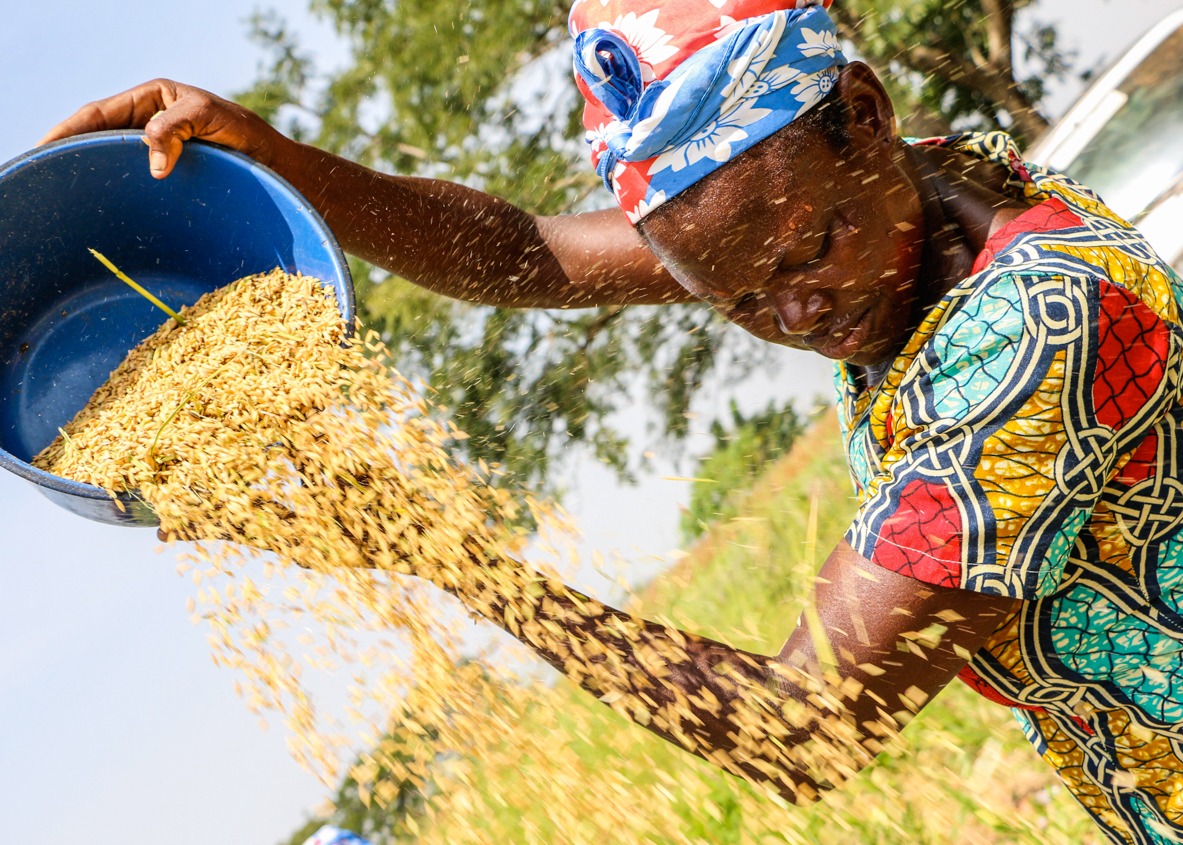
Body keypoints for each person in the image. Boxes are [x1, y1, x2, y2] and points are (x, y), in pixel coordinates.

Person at [41, 1, 1183, 842]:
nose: (796, 314)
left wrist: (442, 557)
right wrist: (282, 162)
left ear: (867, 114)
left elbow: (800, 728)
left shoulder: (1035, 332)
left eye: (805, 255)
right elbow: (529, 254)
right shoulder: (920, 190)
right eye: (735, 298)